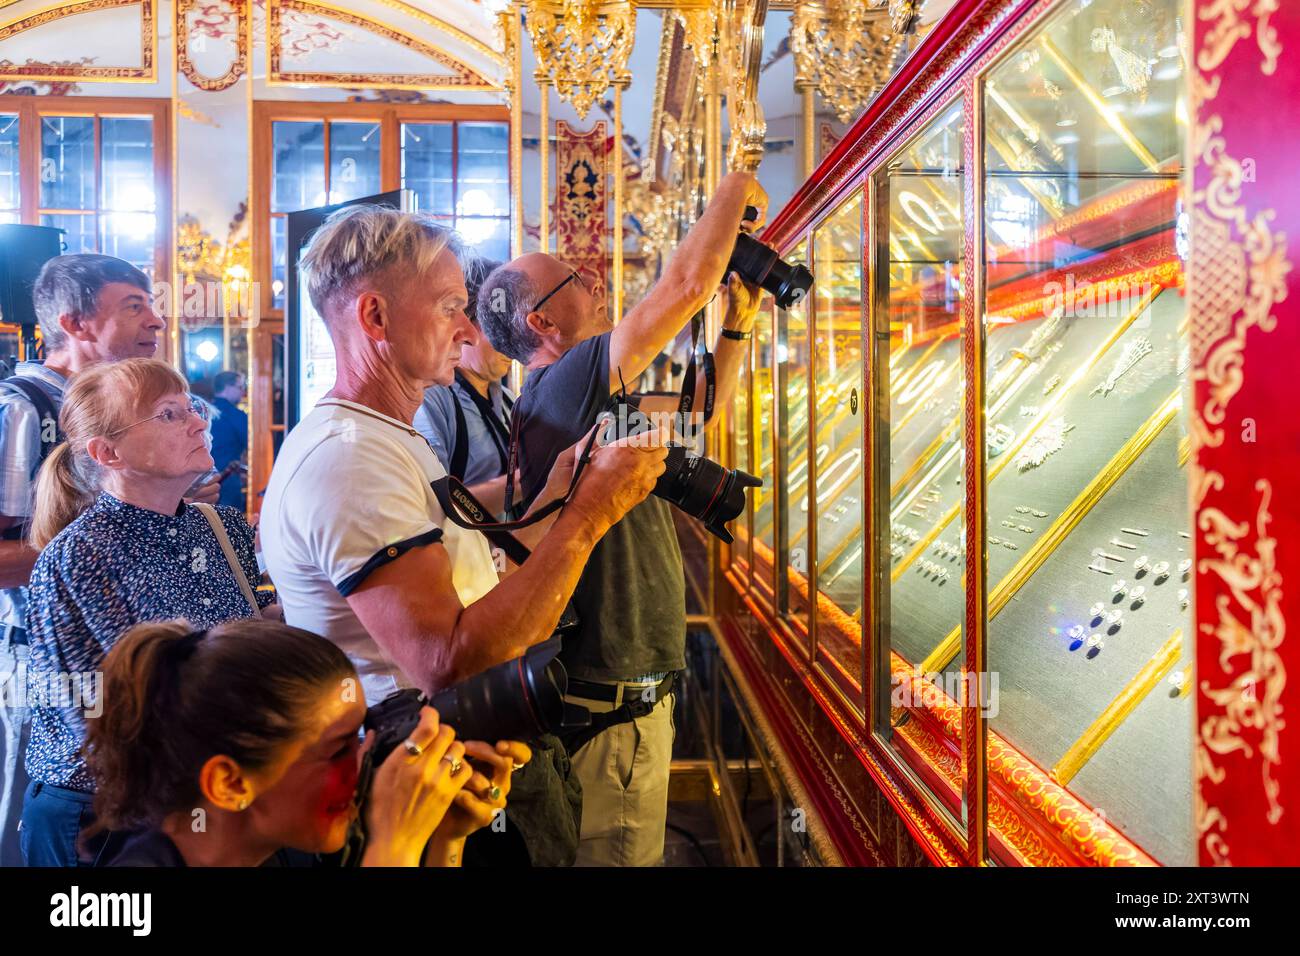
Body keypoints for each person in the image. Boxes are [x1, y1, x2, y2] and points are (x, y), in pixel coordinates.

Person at [258, 206, 668, 867]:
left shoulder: (393, 437)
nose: (470, 328)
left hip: (450, 769)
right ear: (375, 318)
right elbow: (449, 658)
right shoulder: (352, 457)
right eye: (451, 305)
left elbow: (478, 580)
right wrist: (589, 516)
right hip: (408, 786)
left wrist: (562, 492)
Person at [476, 170, 768, 866]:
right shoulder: (569, 377)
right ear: (540, 323)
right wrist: (736, 181)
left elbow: (696, 418)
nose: (597, 284)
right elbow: (684, 287)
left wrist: (738, 323)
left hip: (615, 697)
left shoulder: (574, 398)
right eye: (576, 279)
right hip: (613, 705)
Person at [0, 254, 217, 867]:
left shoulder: (148, 419)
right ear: (75, 322)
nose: (157, 317)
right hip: (36, 659)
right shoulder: (22, 408)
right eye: (134, 306)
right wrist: (98, 539)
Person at [20, 358, 277, 866]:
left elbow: (256, 631)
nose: (199, 422)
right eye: (169, 414)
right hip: (102, 816)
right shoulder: (79, 555)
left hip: (203, 790)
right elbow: (94, 717)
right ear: (107, 452)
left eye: (191, 408)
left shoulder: (218, 527)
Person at [84, 619, 527, 867]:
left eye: (362, 735)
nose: (366, 759)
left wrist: (446, 839)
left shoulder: (287, 851)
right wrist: (396, 847)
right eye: (338, 749)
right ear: (230, 783)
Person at [413, 256, 518, 519]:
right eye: (497, 329)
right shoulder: (432, 399)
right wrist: (528, 482)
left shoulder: (506, 399)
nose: (510, 344)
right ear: (464, 326)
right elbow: (433, 509)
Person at [208, 370, 248, 509]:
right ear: (228, 387)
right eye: (241, 387)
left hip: (201, 481)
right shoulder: (237, 416)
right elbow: (251, 444)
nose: (243, 392)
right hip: (228, 479)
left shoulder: (202, 412)